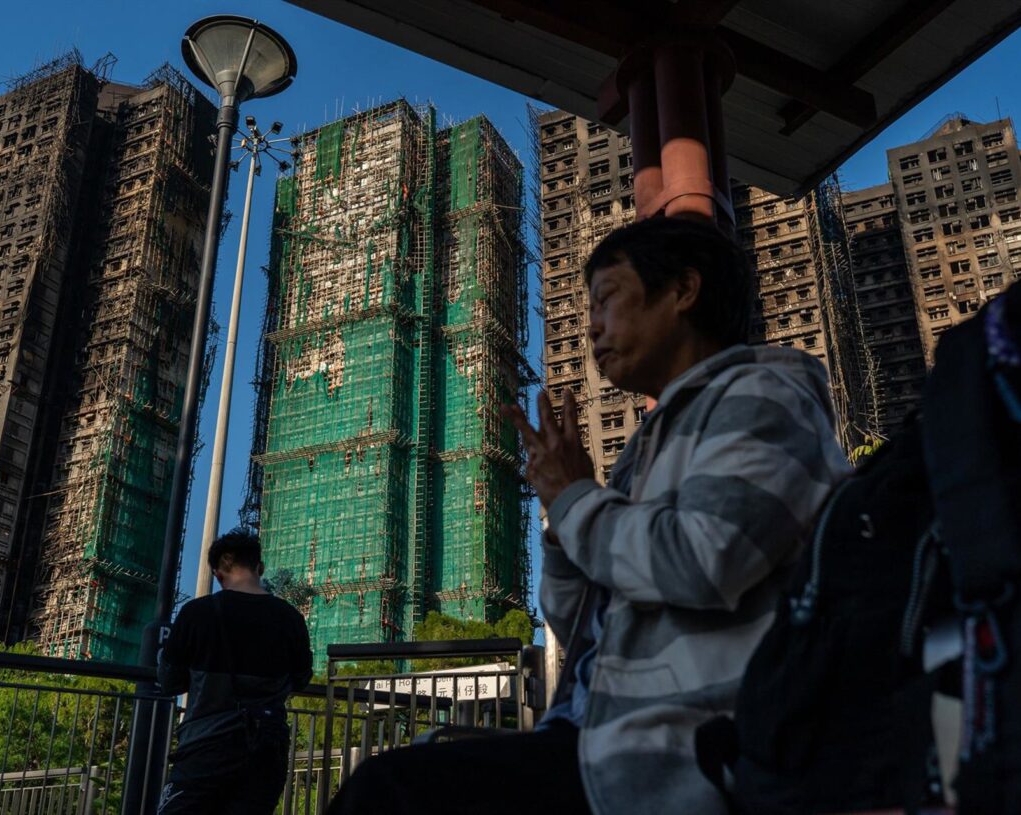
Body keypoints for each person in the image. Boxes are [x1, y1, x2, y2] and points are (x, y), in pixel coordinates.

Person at [325, 216, 850, 815]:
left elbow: (706, 558)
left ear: (683, 290)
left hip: (678, 753)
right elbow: (578, 623)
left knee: (387, 793)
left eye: (607, 299)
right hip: (591, 738)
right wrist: (560, 508)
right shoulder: (648, 444)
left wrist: (577, 499)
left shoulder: (760, 396)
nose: (593, 326)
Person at [157, 527, 313, 815]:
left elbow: (169, 681)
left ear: (217, 573)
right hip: (266, 748)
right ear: (260, 567)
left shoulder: (196, 614)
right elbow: (301, 677)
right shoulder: (290, 618)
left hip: (205, 745)